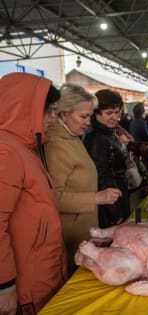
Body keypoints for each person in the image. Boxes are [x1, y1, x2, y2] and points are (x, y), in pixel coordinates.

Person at [0, 72, 68, 314]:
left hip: (40, 269)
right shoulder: (6, 150)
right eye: (48, 110)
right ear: (24, 108)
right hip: (26, 281)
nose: (52, 117)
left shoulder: (25, 147)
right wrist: (4, 286)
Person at [44, 83, 122, 275]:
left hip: (85, 230)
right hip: (71, 235)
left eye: (89, 115)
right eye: (83, 116)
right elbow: (54, 197)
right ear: (63, 115)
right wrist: (97, 198)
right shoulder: (56, 146)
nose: (88, 122)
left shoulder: (73, 138)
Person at [83, 89, 130, 228]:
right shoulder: (98, 139)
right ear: (96, 113)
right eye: (109, 113)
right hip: (110, 205)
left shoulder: (108, 133)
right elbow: (101, 178)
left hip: (117, 197)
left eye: (117, 113)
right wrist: (115, 214)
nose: (114, 117)